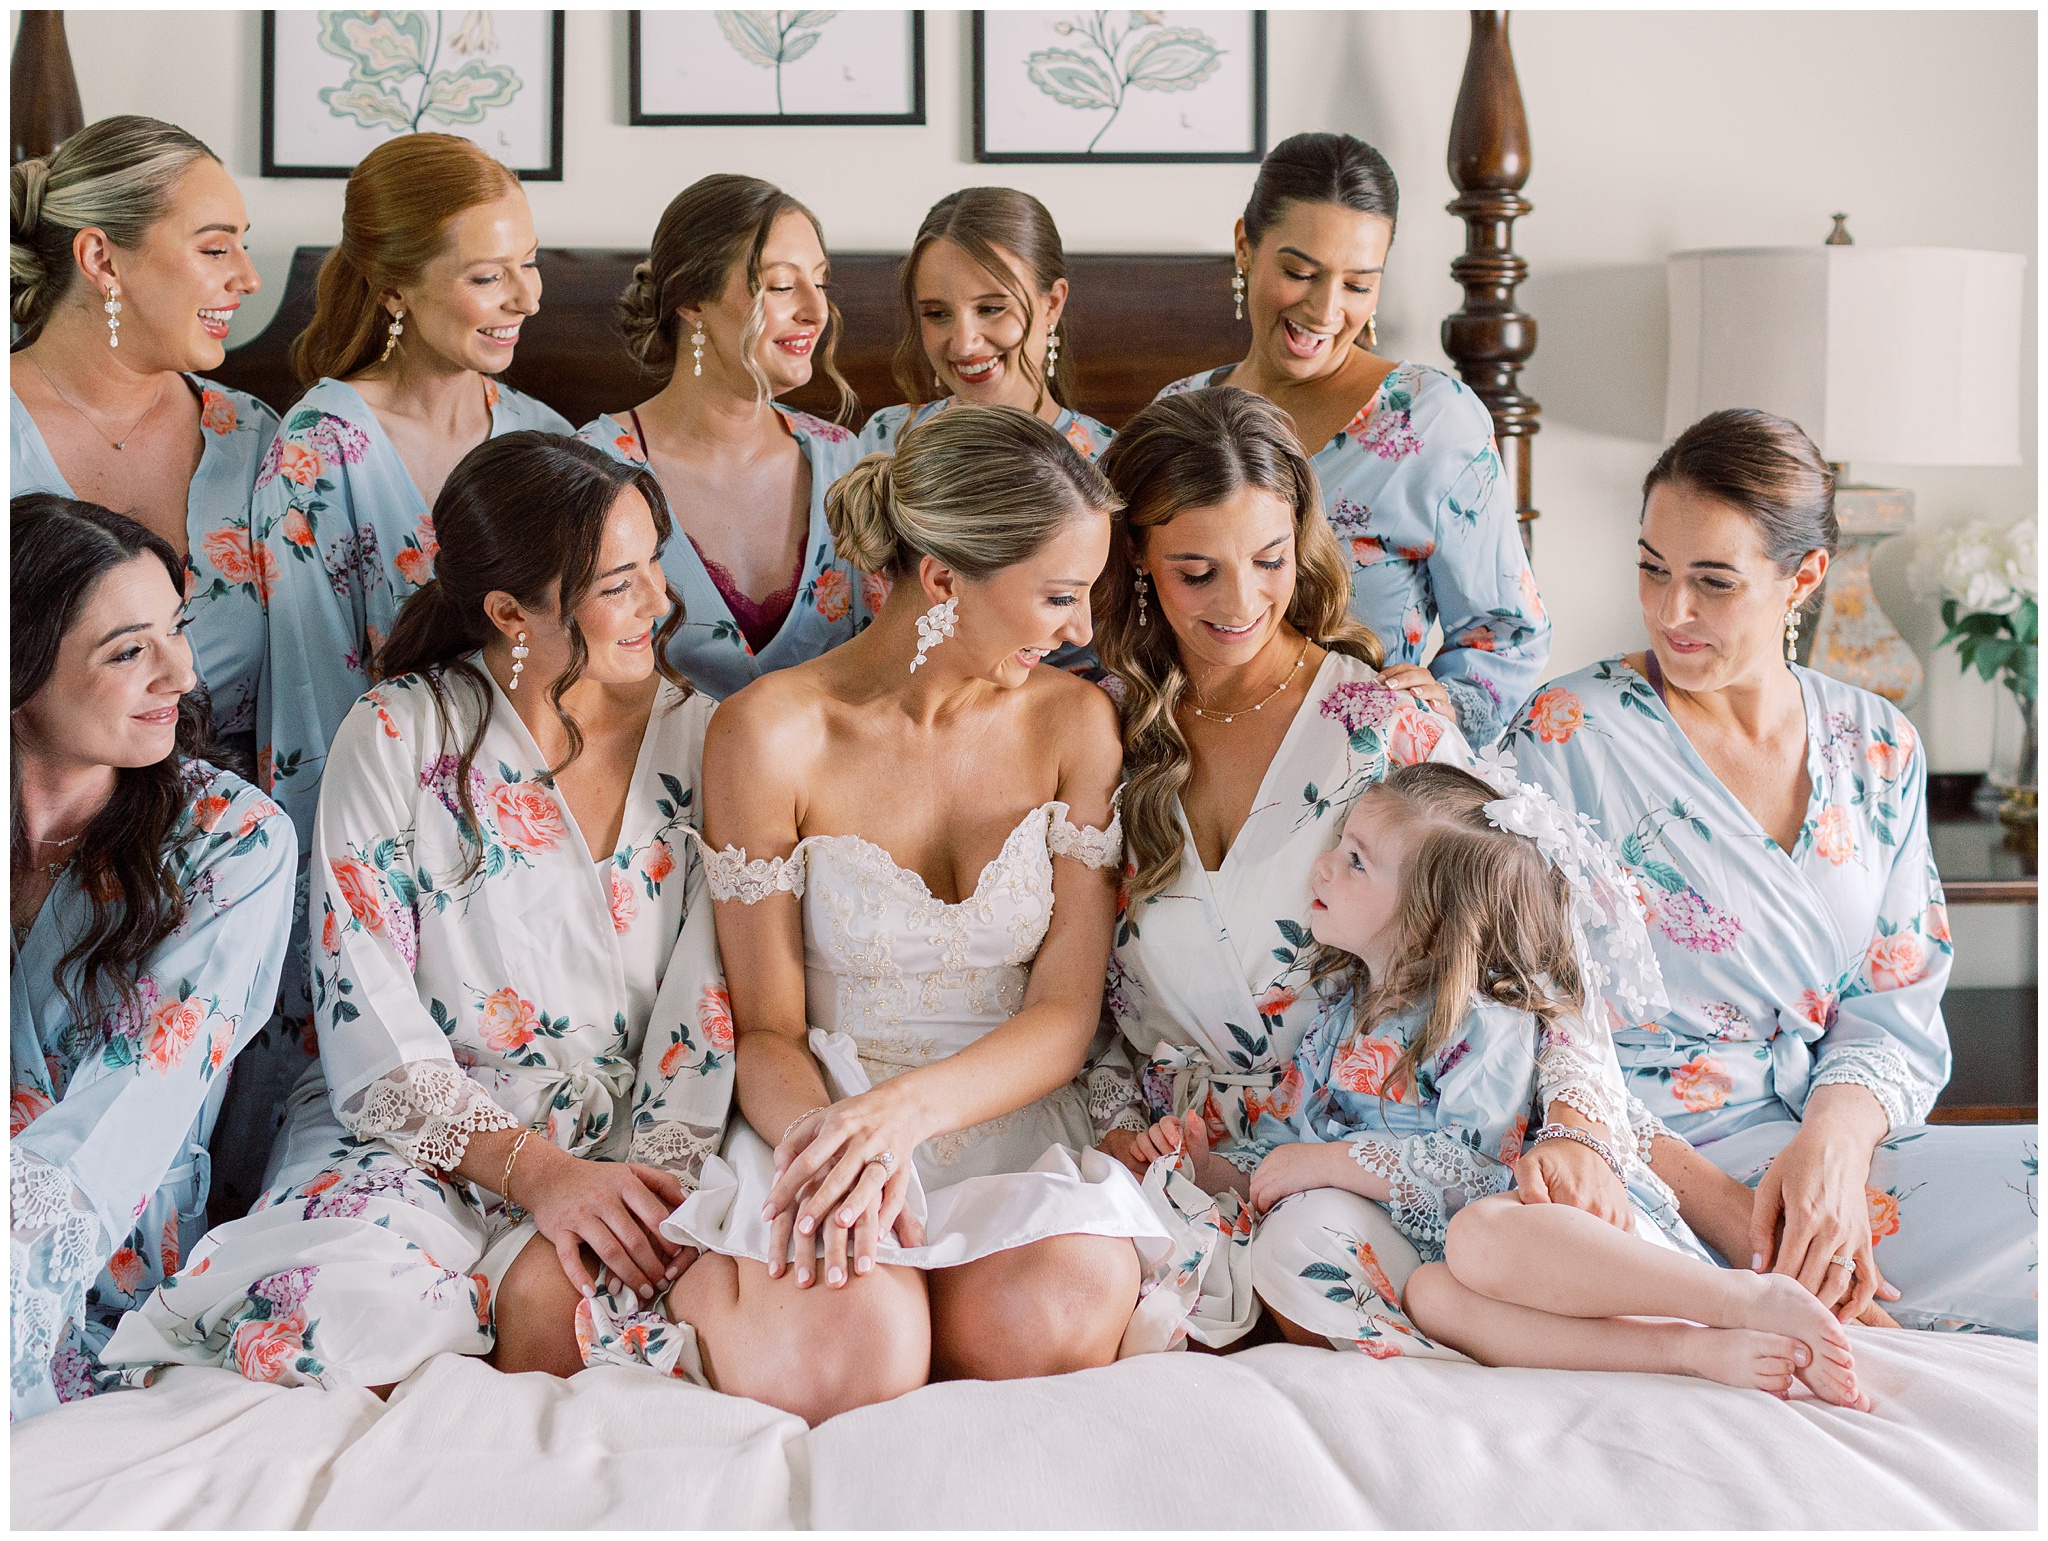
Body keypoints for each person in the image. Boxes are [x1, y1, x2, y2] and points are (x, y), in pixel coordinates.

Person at [576, 405, 1189, 1425]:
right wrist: (832, 1142)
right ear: (942, 580)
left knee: (1051, 1315)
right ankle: (841, 1299)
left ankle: (946, 1307)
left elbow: (1063, 1011)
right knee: (853, 1348)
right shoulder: (770, 733)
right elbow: (765, 1029)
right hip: (819, 1108)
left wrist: (906, 1115)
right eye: (1054, 596)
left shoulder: (1073, 725)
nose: (1080, 631)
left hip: (1003, 1113)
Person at [103, 434, 732, 1390]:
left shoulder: (708, 738)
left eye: (655, 564)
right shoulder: (398, 731)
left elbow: (710, 999)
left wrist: (640, 1188)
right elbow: (369, 1011)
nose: (660, 602)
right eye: (619, 584)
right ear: (509, 612)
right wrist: (536, 1173)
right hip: (418, 1136)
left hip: (639, 1132)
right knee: (333, 1318)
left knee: (628, 1311)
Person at [1084, 387, 1639, 1346]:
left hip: (1369, 1165)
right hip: (1184, 1173)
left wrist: (1578, 1129)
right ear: (1136, 553)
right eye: (1196, 571)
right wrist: (1116, 1124)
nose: (1241, 602)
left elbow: (1544, 953)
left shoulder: (1381, 728)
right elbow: (1077, 993)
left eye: (1266, 561)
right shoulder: (1101, 736)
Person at [1508, 408, 2037, 1338]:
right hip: (1637, 1168)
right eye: (1652, 568)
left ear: (1804, 578)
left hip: (1831, 1152)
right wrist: (1741, 1222)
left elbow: (1896, 999)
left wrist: (1832, 1146)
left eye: (1712, 582)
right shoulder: (1567, 735)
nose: (1671, 611)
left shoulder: (1879, 744)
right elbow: (1525, 1021)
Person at [1226, 761, 1867, 1409]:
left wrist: (1327, 1163)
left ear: (1429, 922)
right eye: (1340, 847)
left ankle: (1740, 1299)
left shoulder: (1483, 1018)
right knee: (1430, 1295)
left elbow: (1474, 1166)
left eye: (1357, 860)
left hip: (1557, 1239)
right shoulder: (1340, 1013)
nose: (1324, 867)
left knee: (1476, 1237)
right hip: (1482, 1276)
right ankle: (1687, 1350)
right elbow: (1294, 1136)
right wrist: (1215, 1158)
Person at [220, 132, 573, 1209]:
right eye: (485, 274)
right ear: (396, 288)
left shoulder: (542, 435)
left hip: (536, 852)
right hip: (379, 859)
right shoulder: (318, 454)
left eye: (528, 261)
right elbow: (316, 727)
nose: (523, 297)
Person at [10, 494, 293, 1420]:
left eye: (176, 629)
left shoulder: (233, 840)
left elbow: (136, 1102)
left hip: (95, 1266)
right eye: (129, 651)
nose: (182, 672)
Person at [1155, 132, 1550, 743]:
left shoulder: (1434, 419)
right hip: (1189, 758)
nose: (1323, 310)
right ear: (1244, 247)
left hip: (1362, 782)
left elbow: (1505, 633)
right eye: (1299, 272)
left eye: (1358, 285)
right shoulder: (1180, 415)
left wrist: (1446, 709)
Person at [11, 116, 277, 761]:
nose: (247, 278)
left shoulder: (255, 439)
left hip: (241, 838)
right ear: (101, 259)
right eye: (215, 249)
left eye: (242, 247)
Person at [579, 175, 872, 697]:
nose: (815, 309)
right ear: (693, 300)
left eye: (821, 282)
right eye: (781, 285)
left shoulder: (847, 461)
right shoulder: (588, 471)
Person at [861, 187, 1113, 463]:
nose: (964, 344)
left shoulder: (1114, 461)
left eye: (991, 309)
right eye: (936, 314)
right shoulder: (885, 439)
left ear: (1052, 304)